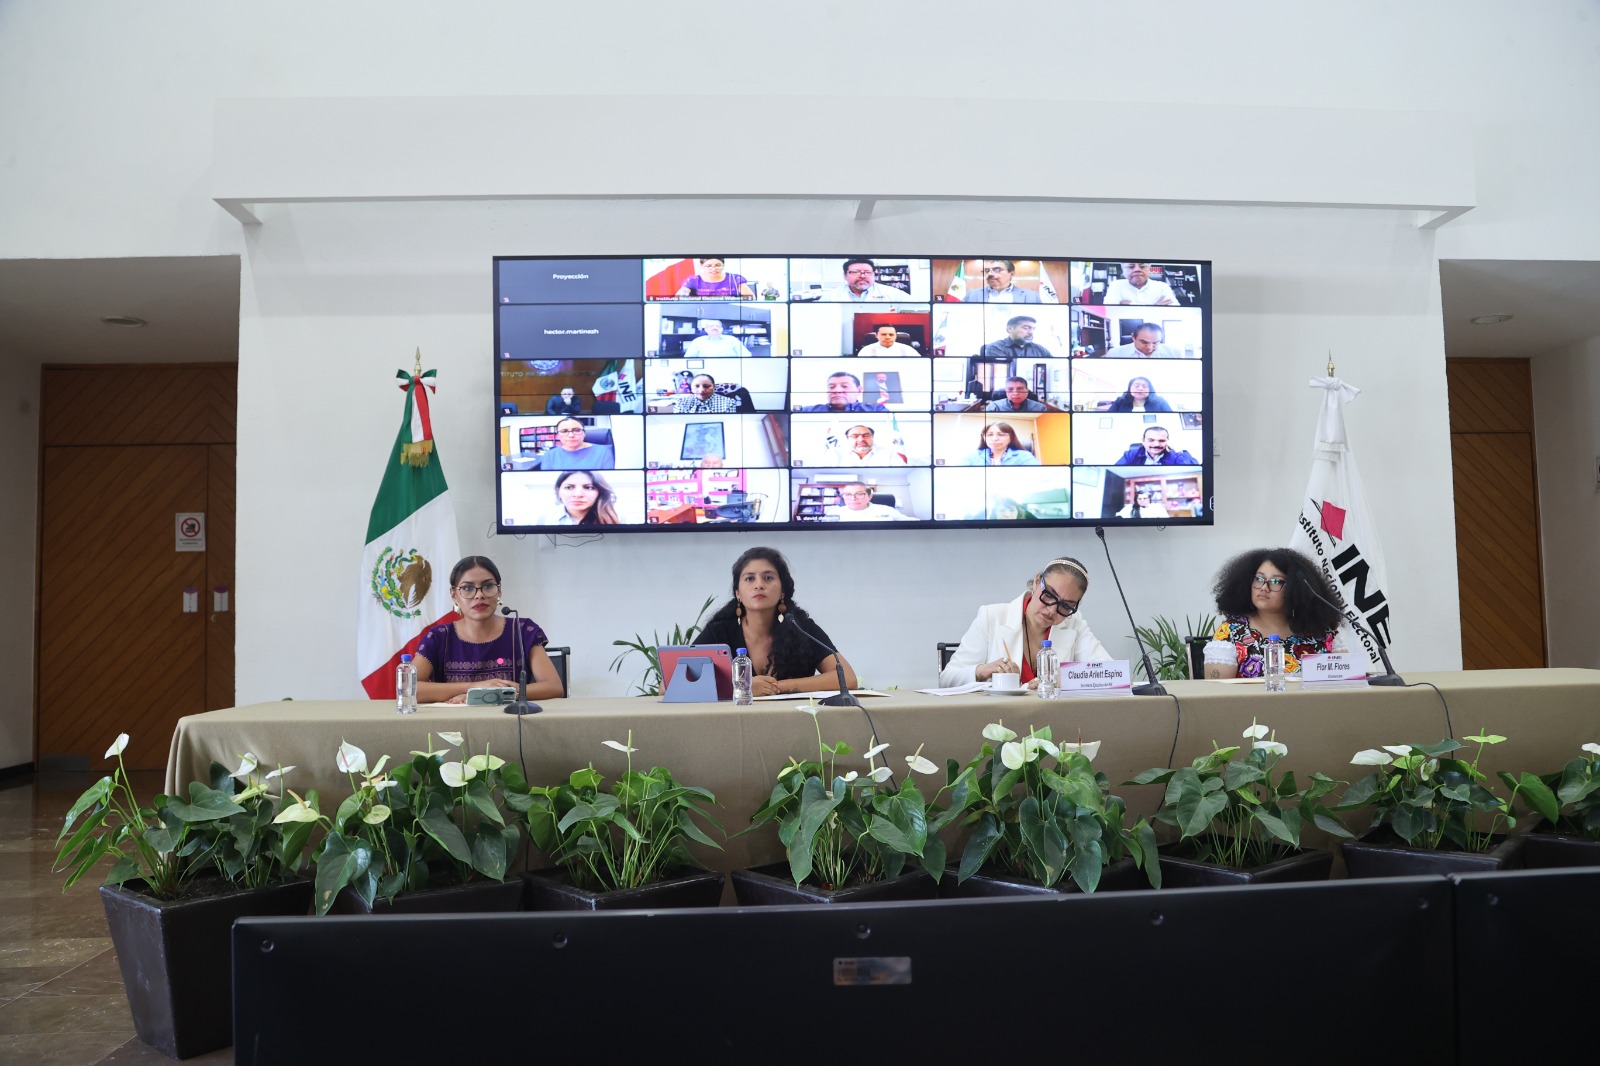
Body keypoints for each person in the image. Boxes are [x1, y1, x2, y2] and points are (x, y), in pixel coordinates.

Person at [695, 546, 858, 696]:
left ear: (782, 591)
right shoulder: (719, 632)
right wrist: (741, 686)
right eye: (750, 579)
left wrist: (779, 686)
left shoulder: (800, 627)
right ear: (738, 593)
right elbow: (672, 683)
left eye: (768, 577)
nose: (759, 585)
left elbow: (848, 678)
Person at [939, 558, 1111, 688]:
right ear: (1037, 582)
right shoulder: (992, 616)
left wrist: (1062, 678)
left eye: (1066, 606)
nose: (1052, 610)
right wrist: (983, 670)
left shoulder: (1075, 624)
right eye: (1049, 595)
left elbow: (1110, 673)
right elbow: (947, 679)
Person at [414, 556, 563, 704]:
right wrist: (473, 688)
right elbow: (409, 688)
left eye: (488, 586)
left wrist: (496, 695)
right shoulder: (438, 637)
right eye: (467, 588)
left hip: (511, 724)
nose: (479, 595)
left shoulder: (523, 630)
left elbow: (554, 687)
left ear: (499, 591)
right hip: (453, 725)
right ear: (454, 596)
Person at [1207, 548, 1346, 679]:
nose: (1263, 588)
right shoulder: (1231, 632)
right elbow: (1217, 695)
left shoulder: (1320, 633)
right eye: (1259, 579)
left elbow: (1347, 683)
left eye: (1275, 581)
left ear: (1295, 589)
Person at [541, 469, 621, 525]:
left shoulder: (620, 518)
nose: (578, 494)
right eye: (569, 487)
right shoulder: (542, 519)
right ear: (558, 491)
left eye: (588, 487)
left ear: (599, 492)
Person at [538, 417, 615, 470]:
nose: (571, 435)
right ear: (558, 436)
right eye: (564, 431)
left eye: (577, 430)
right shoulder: (549, 455)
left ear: (584, 433)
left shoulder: (603, 451)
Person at [799, 370, 889, 413]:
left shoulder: (876, 410)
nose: (837, 391)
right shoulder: (807, 411)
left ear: (859, 390)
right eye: (831, 387)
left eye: (845, 386)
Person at [825, 258, 910, 301]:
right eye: (856, 272)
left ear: (874, 275)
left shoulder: (894, 294)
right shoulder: (830, 297)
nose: (862, 276)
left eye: (867, 272)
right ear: (845, 275)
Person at [960, 421, 1040, 465]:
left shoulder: (1024, 456)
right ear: (984, 438)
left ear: (1011, 438)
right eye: (990, 435)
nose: (995, 439)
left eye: (1001, 435)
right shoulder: (972, 456)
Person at [963, 259, 1040, 303]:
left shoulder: (1031, 296)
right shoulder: (972, 295)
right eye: (986, 270)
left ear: (1011, 274)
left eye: (997, 270)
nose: (990, 274)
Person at [674, 257, 755, 299]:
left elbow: (751, 298)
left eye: (718, 265)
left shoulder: (735, 279)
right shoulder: (692, 281)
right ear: (702, 266)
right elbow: (679, 298)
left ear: (723, 265)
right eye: (709, 266)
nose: (714, 269)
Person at [823, 424, 905, 466]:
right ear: (847, 439)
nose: (861, 439)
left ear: (872, 437)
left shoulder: (890, 454)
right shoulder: (833, 453)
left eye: (866, 435)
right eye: (855, 436)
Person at [981, 315, 1054, 361]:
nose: (1031, 332)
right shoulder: (995, 348)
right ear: (1010, 329)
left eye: (1033, 329)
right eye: (1026, 328)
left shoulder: (1040, 349)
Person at [828, 481, 913, 521]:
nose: (853, 498)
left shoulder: (887, 510)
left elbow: (911, 522)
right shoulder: (833, 513)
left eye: (859, 494)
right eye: (848, 494)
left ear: (869, 496)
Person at [1115, 425, 1197, 466]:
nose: (1156, 444)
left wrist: (1179, 451)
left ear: (1167, 442)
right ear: (1143, 441)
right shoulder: (1130, 454)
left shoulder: (1176, 456)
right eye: (1151, 440)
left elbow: (1194, 467)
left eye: (1161, 441)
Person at [1104, 262, 1178, 306]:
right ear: (1123, 270)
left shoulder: (1162, 286)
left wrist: (1131, 304)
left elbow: (1175, 308)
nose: (1137, 269)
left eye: (1142, 266)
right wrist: (1155, 306)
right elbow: (1110, 308)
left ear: (1149, 269)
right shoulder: (1116, 285)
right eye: (1131, 266)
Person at [1106, 323, 1184, 360]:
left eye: (1155, 342)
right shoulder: (1114, 353)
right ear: (1133, 337)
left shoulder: (1175, 353)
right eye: (1144, 342)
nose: (1149, 348)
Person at [682, 319, 753, 359]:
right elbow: (689, 358)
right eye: (711, 326)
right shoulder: (697, 341)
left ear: (722, 329)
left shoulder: (732, 340)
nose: (715, 328)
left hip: (731, 368)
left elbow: (746, 355)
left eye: (718, 326)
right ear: (706, 330)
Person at [1101, 376, 1173, 413]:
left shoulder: (1160, 401)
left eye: (1144, 386)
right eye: (1136, 386)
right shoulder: (1120, 401)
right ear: (1130, 388)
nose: (1140, 388)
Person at [673, 373, 739, 413]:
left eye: (706, 386)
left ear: (714, 387)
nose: (701, 390)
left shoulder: (729, 403)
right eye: (697, 386)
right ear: (691, 388)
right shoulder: (681, 403)